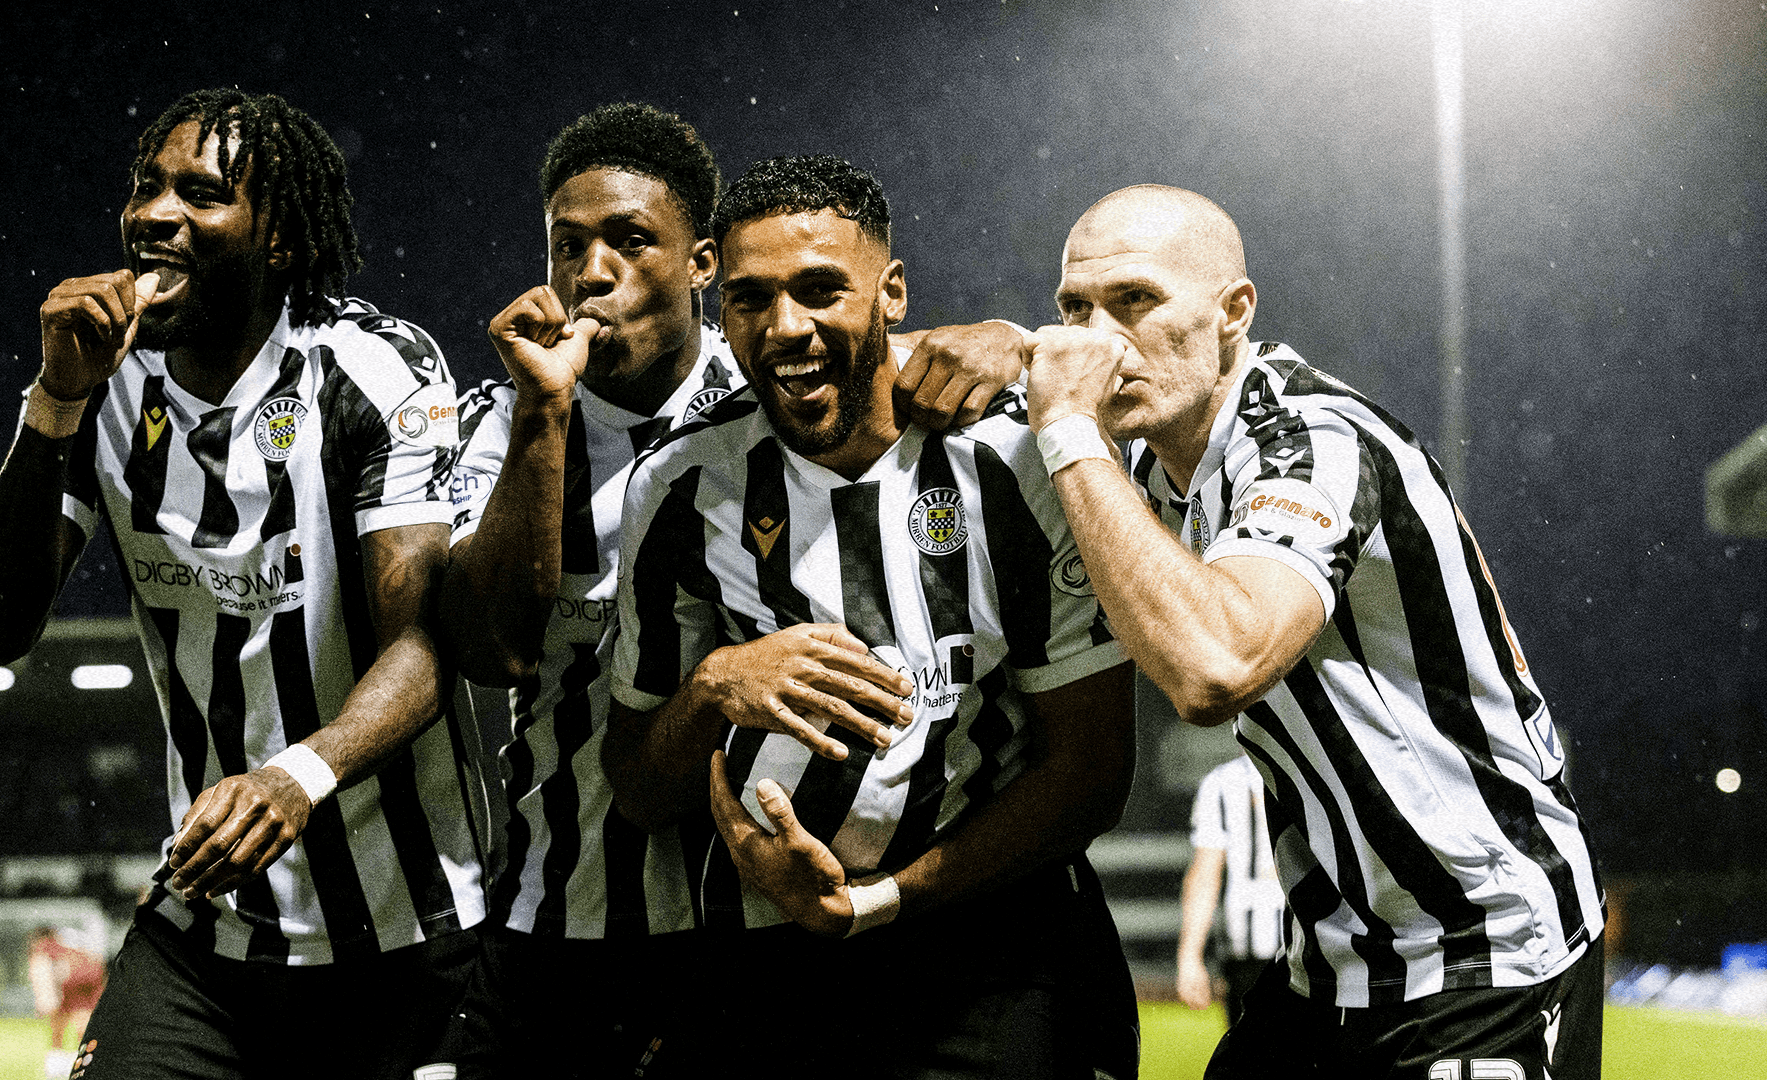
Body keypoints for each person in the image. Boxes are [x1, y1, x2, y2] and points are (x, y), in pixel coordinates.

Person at [433, 104, 1032, 1078]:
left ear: (702, 265)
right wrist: (542, 414)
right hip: (552, 910)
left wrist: (1018, 340)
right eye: (567, 246)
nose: (592, 274)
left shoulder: (776, 394)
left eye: (630, 241)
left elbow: (885, 351)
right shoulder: (498, 422)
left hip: (742, 922)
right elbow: (491, 649)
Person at [0, 88, 484, 1078]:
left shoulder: (373, 370)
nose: (156, 214)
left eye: (202, 195)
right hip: (206, 937)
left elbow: (426, 646)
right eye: (146, 187)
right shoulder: (107, 383)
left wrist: (297, 777)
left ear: (280, 238)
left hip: (405, 935)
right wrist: (56, 399)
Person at [1024, 184, 1604, 1078]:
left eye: (1135, 300)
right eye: (1074, 309)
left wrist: (1066, 427)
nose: (1096, 342)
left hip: (1481, 949)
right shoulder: (1145, 454)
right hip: (1326, 961)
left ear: (1233, 312)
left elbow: (1216, 668)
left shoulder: (1314, 441)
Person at [601, 154, 1140, 1079]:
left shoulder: (1016, 459)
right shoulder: (683, 485)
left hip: (996, 947)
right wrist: (714, 687)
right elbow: (641, 789)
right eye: (751, 299)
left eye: (820, 289)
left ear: (891, 293)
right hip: (767, 954)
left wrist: (880, 900)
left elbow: (1090, 772)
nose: (786, 327)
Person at [1177, 754, 1284, 1028]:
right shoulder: (1224, 781)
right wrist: (1189, 956)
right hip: (1283, 949)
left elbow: (1205, 874)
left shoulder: (1224, 780)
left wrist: (1189, 957)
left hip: (1256, 952)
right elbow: (1205, 875)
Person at [28, 926, 107, 1079]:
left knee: (76, 1025)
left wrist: (44, 998)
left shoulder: (52, 947)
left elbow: (40, 965)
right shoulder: (64, 947)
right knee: (71, 1025)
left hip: (79, 983)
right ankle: (67, 1063)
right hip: (78, 982)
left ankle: (68, 1063)